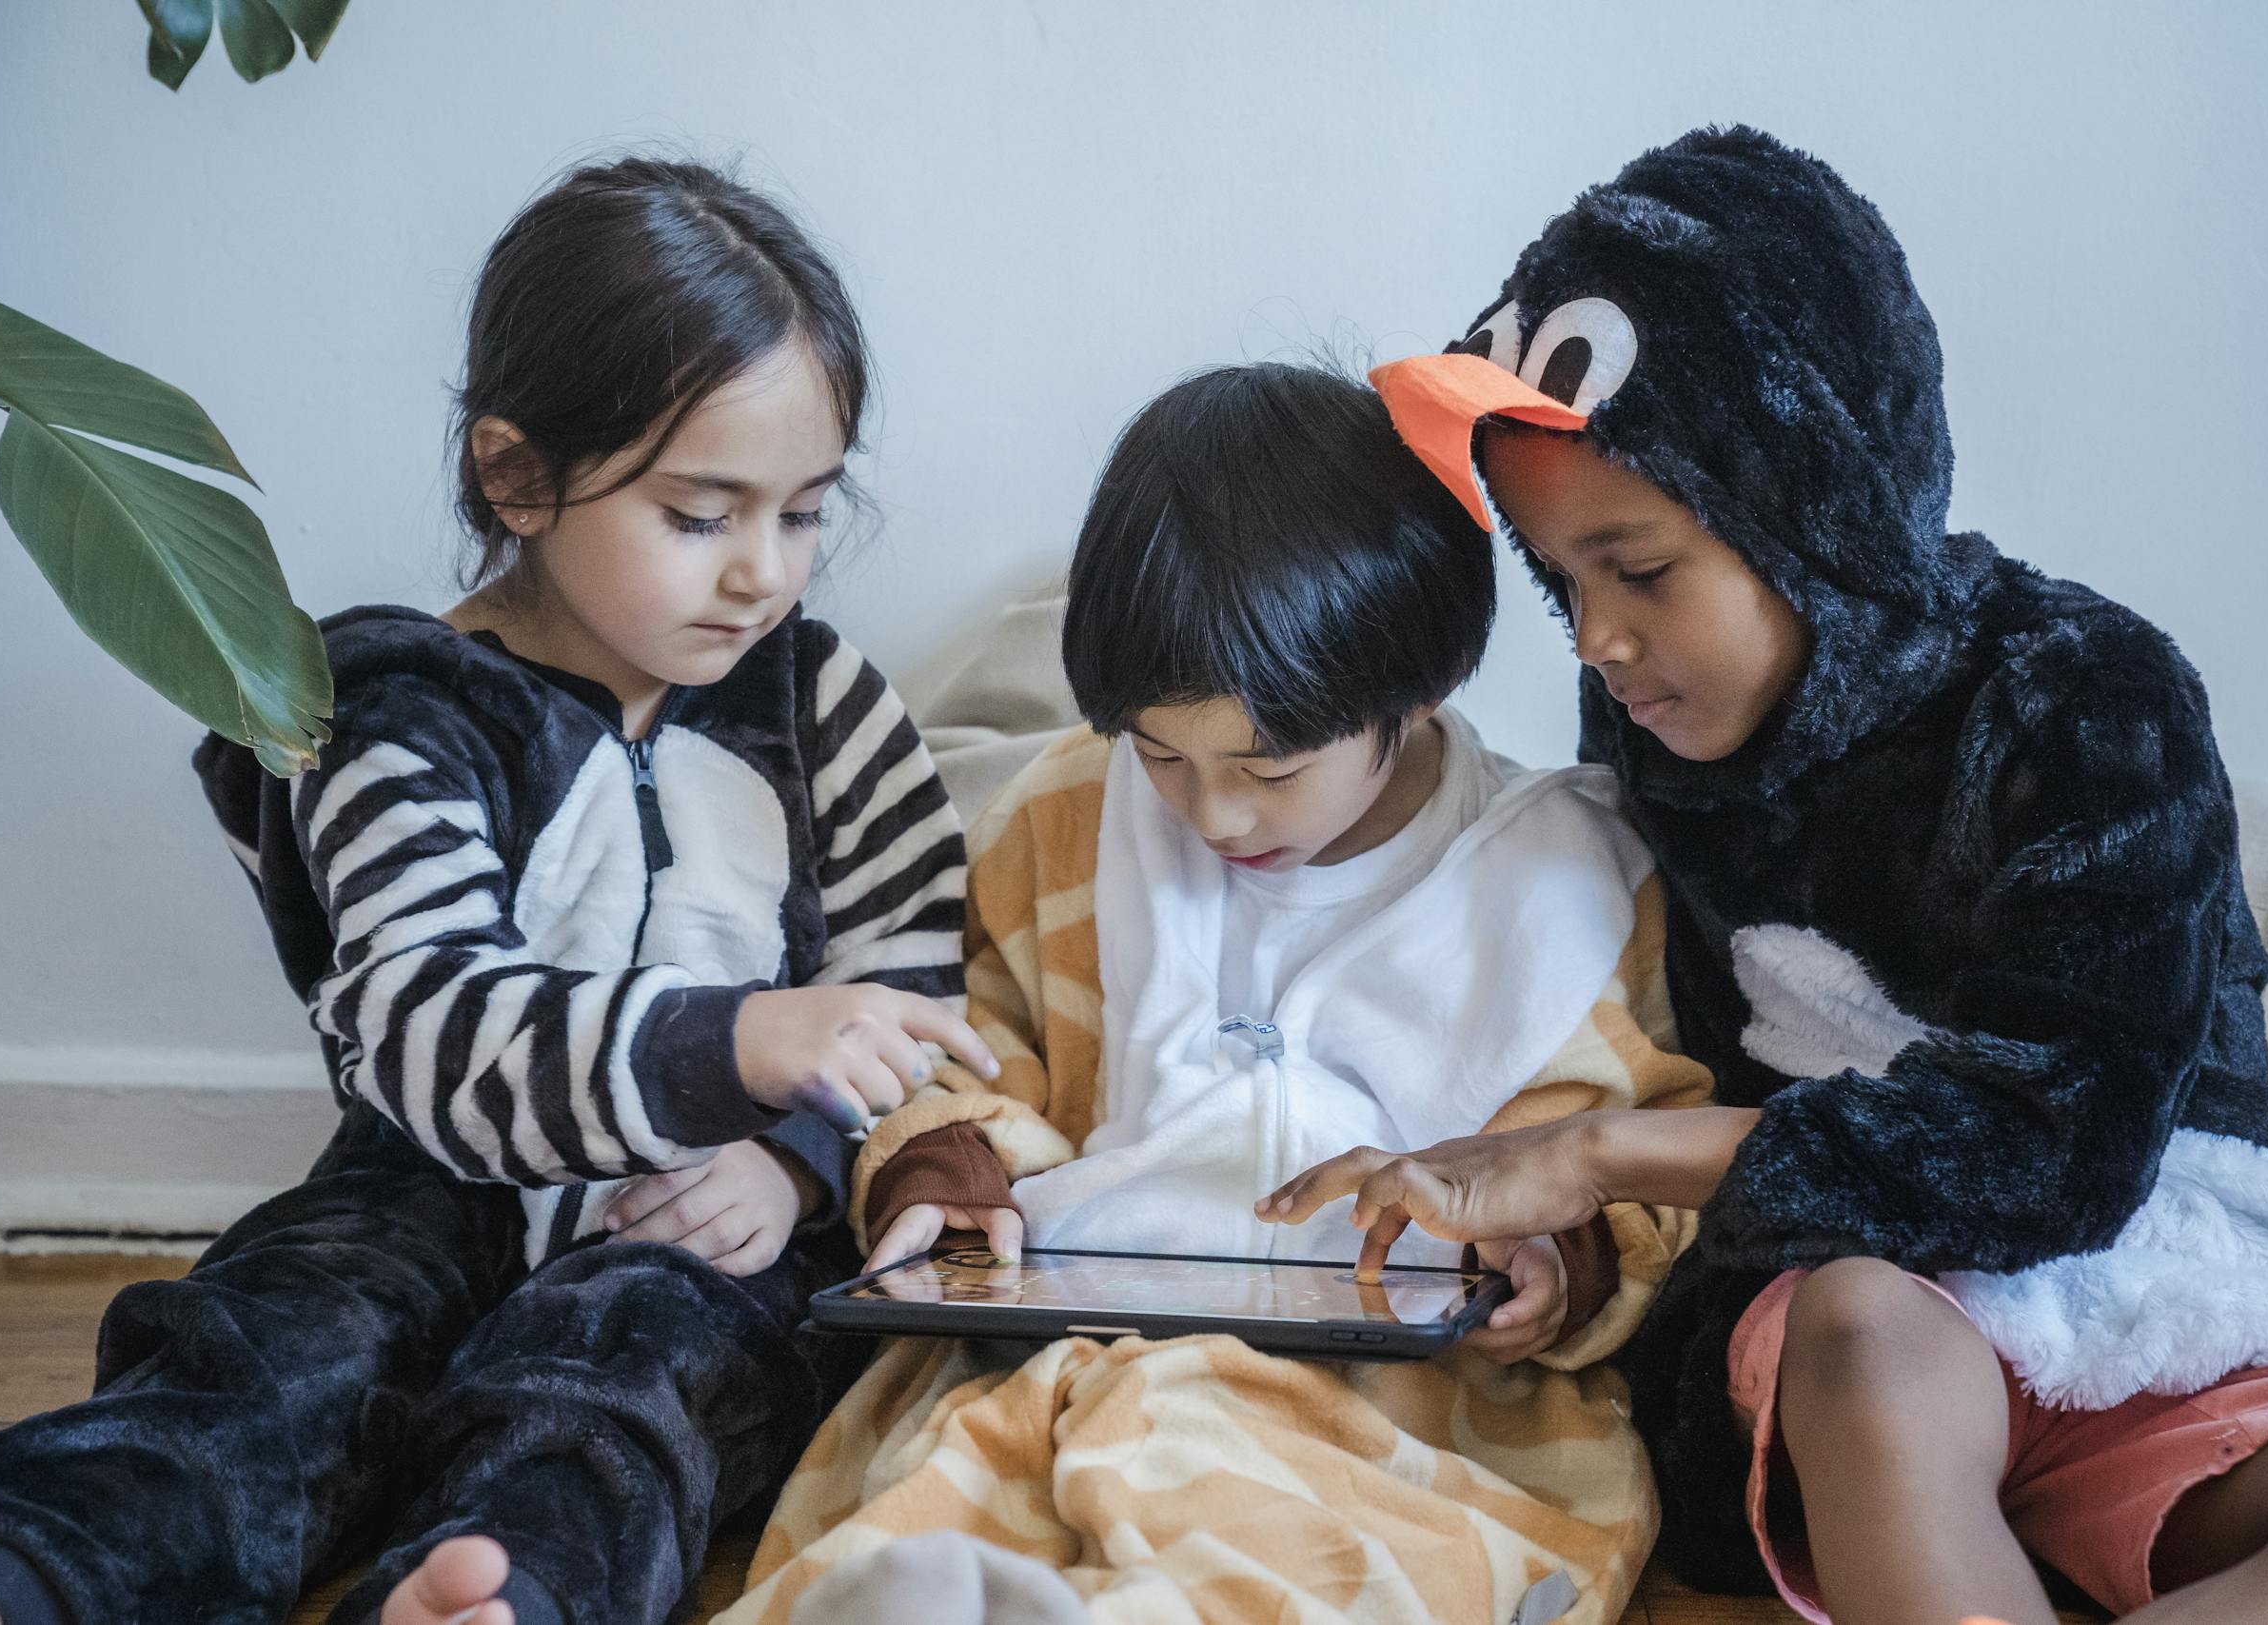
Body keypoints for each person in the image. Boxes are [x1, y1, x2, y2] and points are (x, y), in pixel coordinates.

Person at [1264, 127, 2268, 1625]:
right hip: (1870, 1324)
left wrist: (1602, 1156)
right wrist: (1569, 1231)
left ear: (1819, 517)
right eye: (1561, 581)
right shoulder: (1646, 743)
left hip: (2172, 1272)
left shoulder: (2083, 695)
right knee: (1863, 1329)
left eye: (1639, 570)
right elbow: (1643, 1040)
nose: (1597, 640)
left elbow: (2059, 1138)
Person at [0, 156, 995, 1625]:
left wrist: (795, 1163)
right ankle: (14, 1577)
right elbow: (433, 1024)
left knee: (629, 1381)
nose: (764, 574)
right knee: (268, 1359)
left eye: (805, 513)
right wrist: (740, 1040)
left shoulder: (823, 705)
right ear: (518, 478)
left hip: (708, 1225)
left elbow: (914, 998)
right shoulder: (397, 706)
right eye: (703, 516)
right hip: (419, 1193)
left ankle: (501, 1594)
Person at [720, 363, 1708, 1625]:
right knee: (949, 1493)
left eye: (1270, 770)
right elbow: (969, 1045)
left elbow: (1632, 1155)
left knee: (1301, 1541)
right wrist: (947, 1172)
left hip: (1404, 1395)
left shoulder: (1560, 881)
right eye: (1160, 756)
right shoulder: (1065, 818)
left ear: (1417, 689)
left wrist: (1559, 1259)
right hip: (1064, 1336)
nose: (1215, 815)